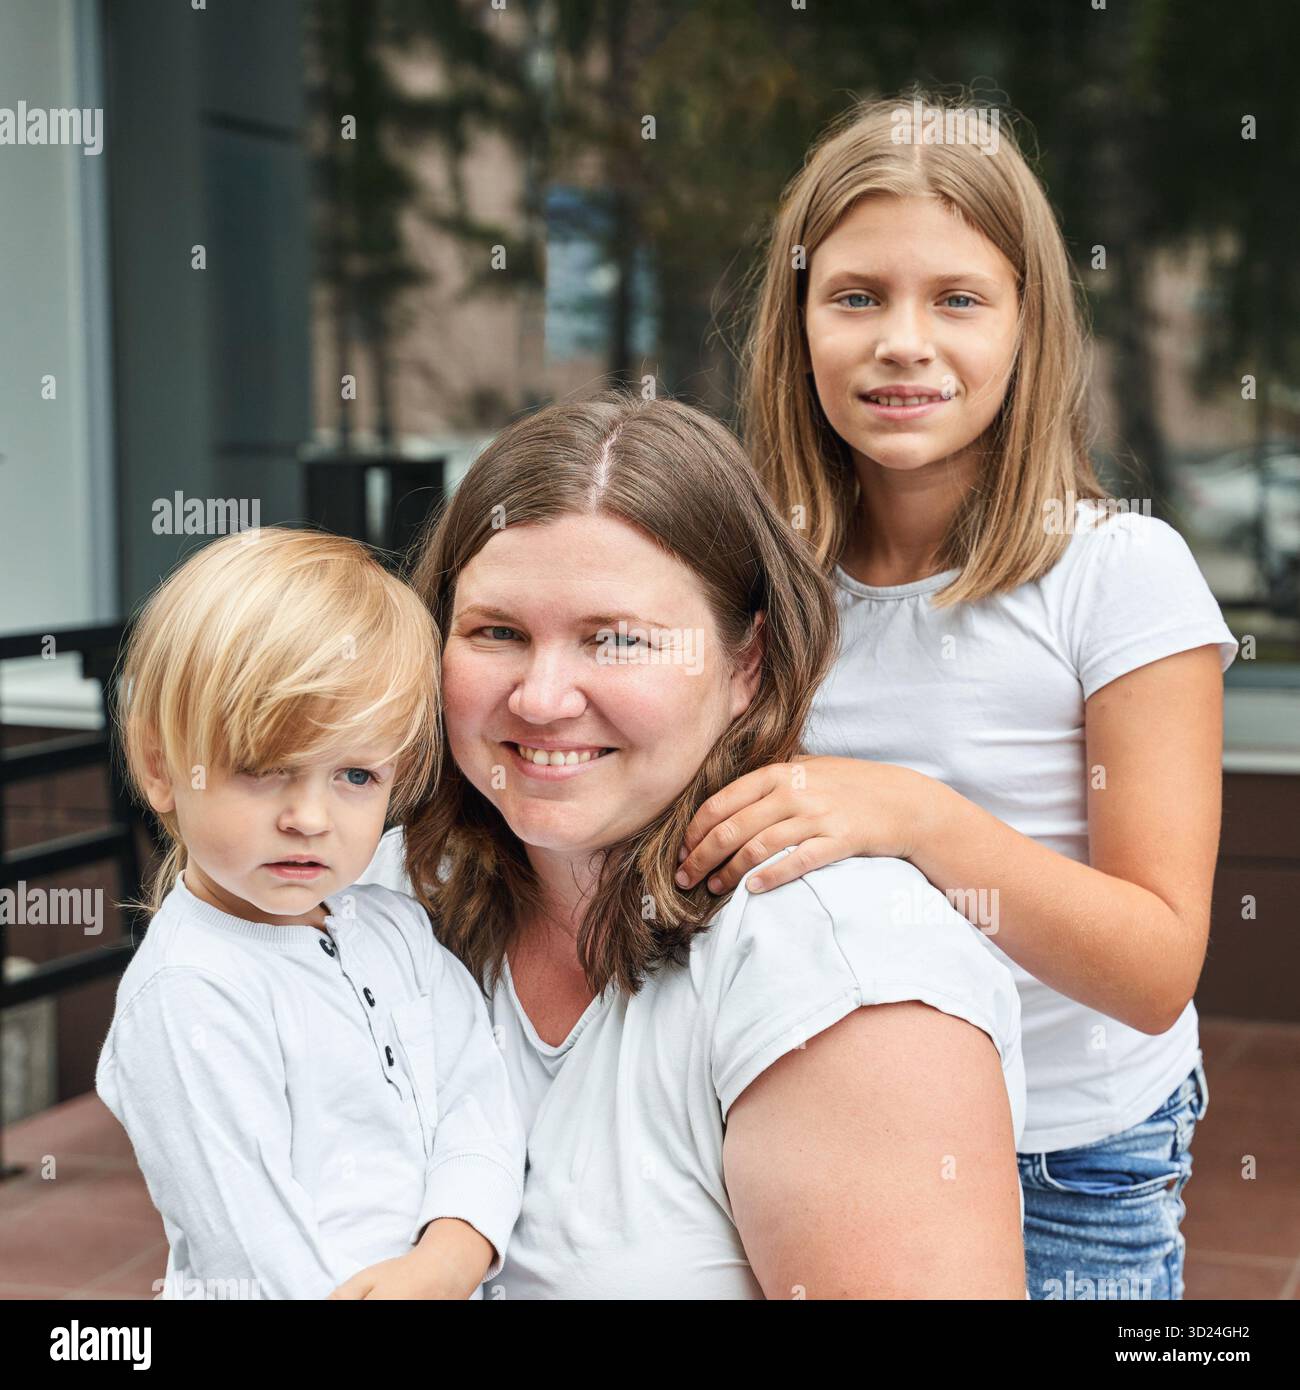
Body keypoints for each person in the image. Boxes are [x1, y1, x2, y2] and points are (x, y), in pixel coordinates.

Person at [677, 90, 1235, 1299]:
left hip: (1065, 1161)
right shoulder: (753, 577)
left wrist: (915, 819)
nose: (903, 341)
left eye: (959, 299)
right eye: (857, 296)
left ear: (1028, 328)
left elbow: (1152, 968)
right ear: (798, 321)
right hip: (801, 1128)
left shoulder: (1118, 575)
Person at [360, 389, 1028, 1298]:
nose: (543, 697)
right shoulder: (377, 888)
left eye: (618, 640)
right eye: (497, 633)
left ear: (745, 663)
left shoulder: (844, 971)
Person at [95, 527, 525, 1300]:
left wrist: (452, 1252)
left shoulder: (394, 930)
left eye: (355, 774)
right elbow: (248, 1243)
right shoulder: (192, 992)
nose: (309, 817)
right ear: (163, 768)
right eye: (265, 769)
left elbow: (478, 1096)